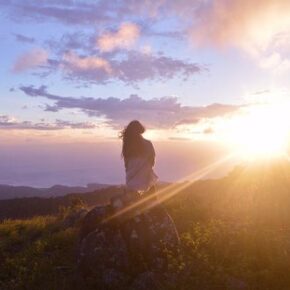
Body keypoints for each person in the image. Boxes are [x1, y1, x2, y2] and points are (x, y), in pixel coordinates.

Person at [120, 120, 158, 195]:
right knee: (152, 198)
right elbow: (152, 161)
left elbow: (126, 164)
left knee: (131, 200)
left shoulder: (127, 145)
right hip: (146, 177)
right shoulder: (148, 144)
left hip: (131, 179)